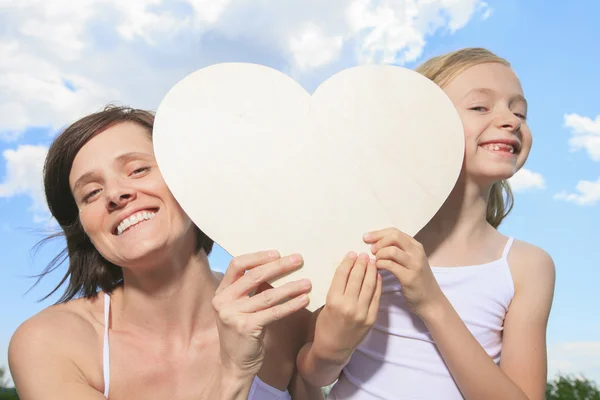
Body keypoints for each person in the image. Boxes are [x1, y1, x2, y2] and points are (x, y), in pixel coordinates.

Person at [8, 106, 325, 400]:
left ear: (188, 184)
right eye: (91, 193)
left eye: (138, 170)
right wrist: (233, 372)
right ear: (84, 229)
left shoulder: (288, 316)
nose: (116, 194)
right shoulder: (49, 343)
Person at [296, 47, 556, 400]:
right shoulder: (365, 242)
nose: (511, 120)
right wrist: (330, 350)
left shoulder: (526, 266)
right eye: (480, 106)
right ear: (421, 125)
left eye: (519, 110)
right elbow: (308, 377)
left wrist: (431, 301)